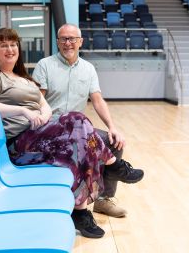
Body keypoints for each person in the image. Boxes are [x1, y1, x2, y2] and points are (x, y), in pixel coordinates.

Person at [0, 27, 143, 239]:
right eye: (3, 45)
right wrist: (23, 111)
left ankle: (82, 211)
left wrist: (43, 115)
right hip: (21, 143)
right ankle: (113, 168)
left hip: (41, 133)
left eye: (13, 44)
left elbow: (43, 104)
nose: (10, 49)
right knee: (77, 121)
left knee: (79, 141)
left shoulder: (23, 78)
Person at [33, 23, 144, 219]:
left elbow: (97, 100)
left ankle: (104, 200)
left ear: (80, 42)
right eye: (63, 39)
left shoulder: (88, 69)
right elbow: (37, 100)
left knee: (113, 142)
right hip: (52, 128)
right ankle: (80, 201)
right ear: (57, 42)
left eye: (72, 39)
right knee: (85, 143)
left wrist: (112, 127)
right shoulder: (45, 65)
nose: (68, 43)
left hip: (80, 129)